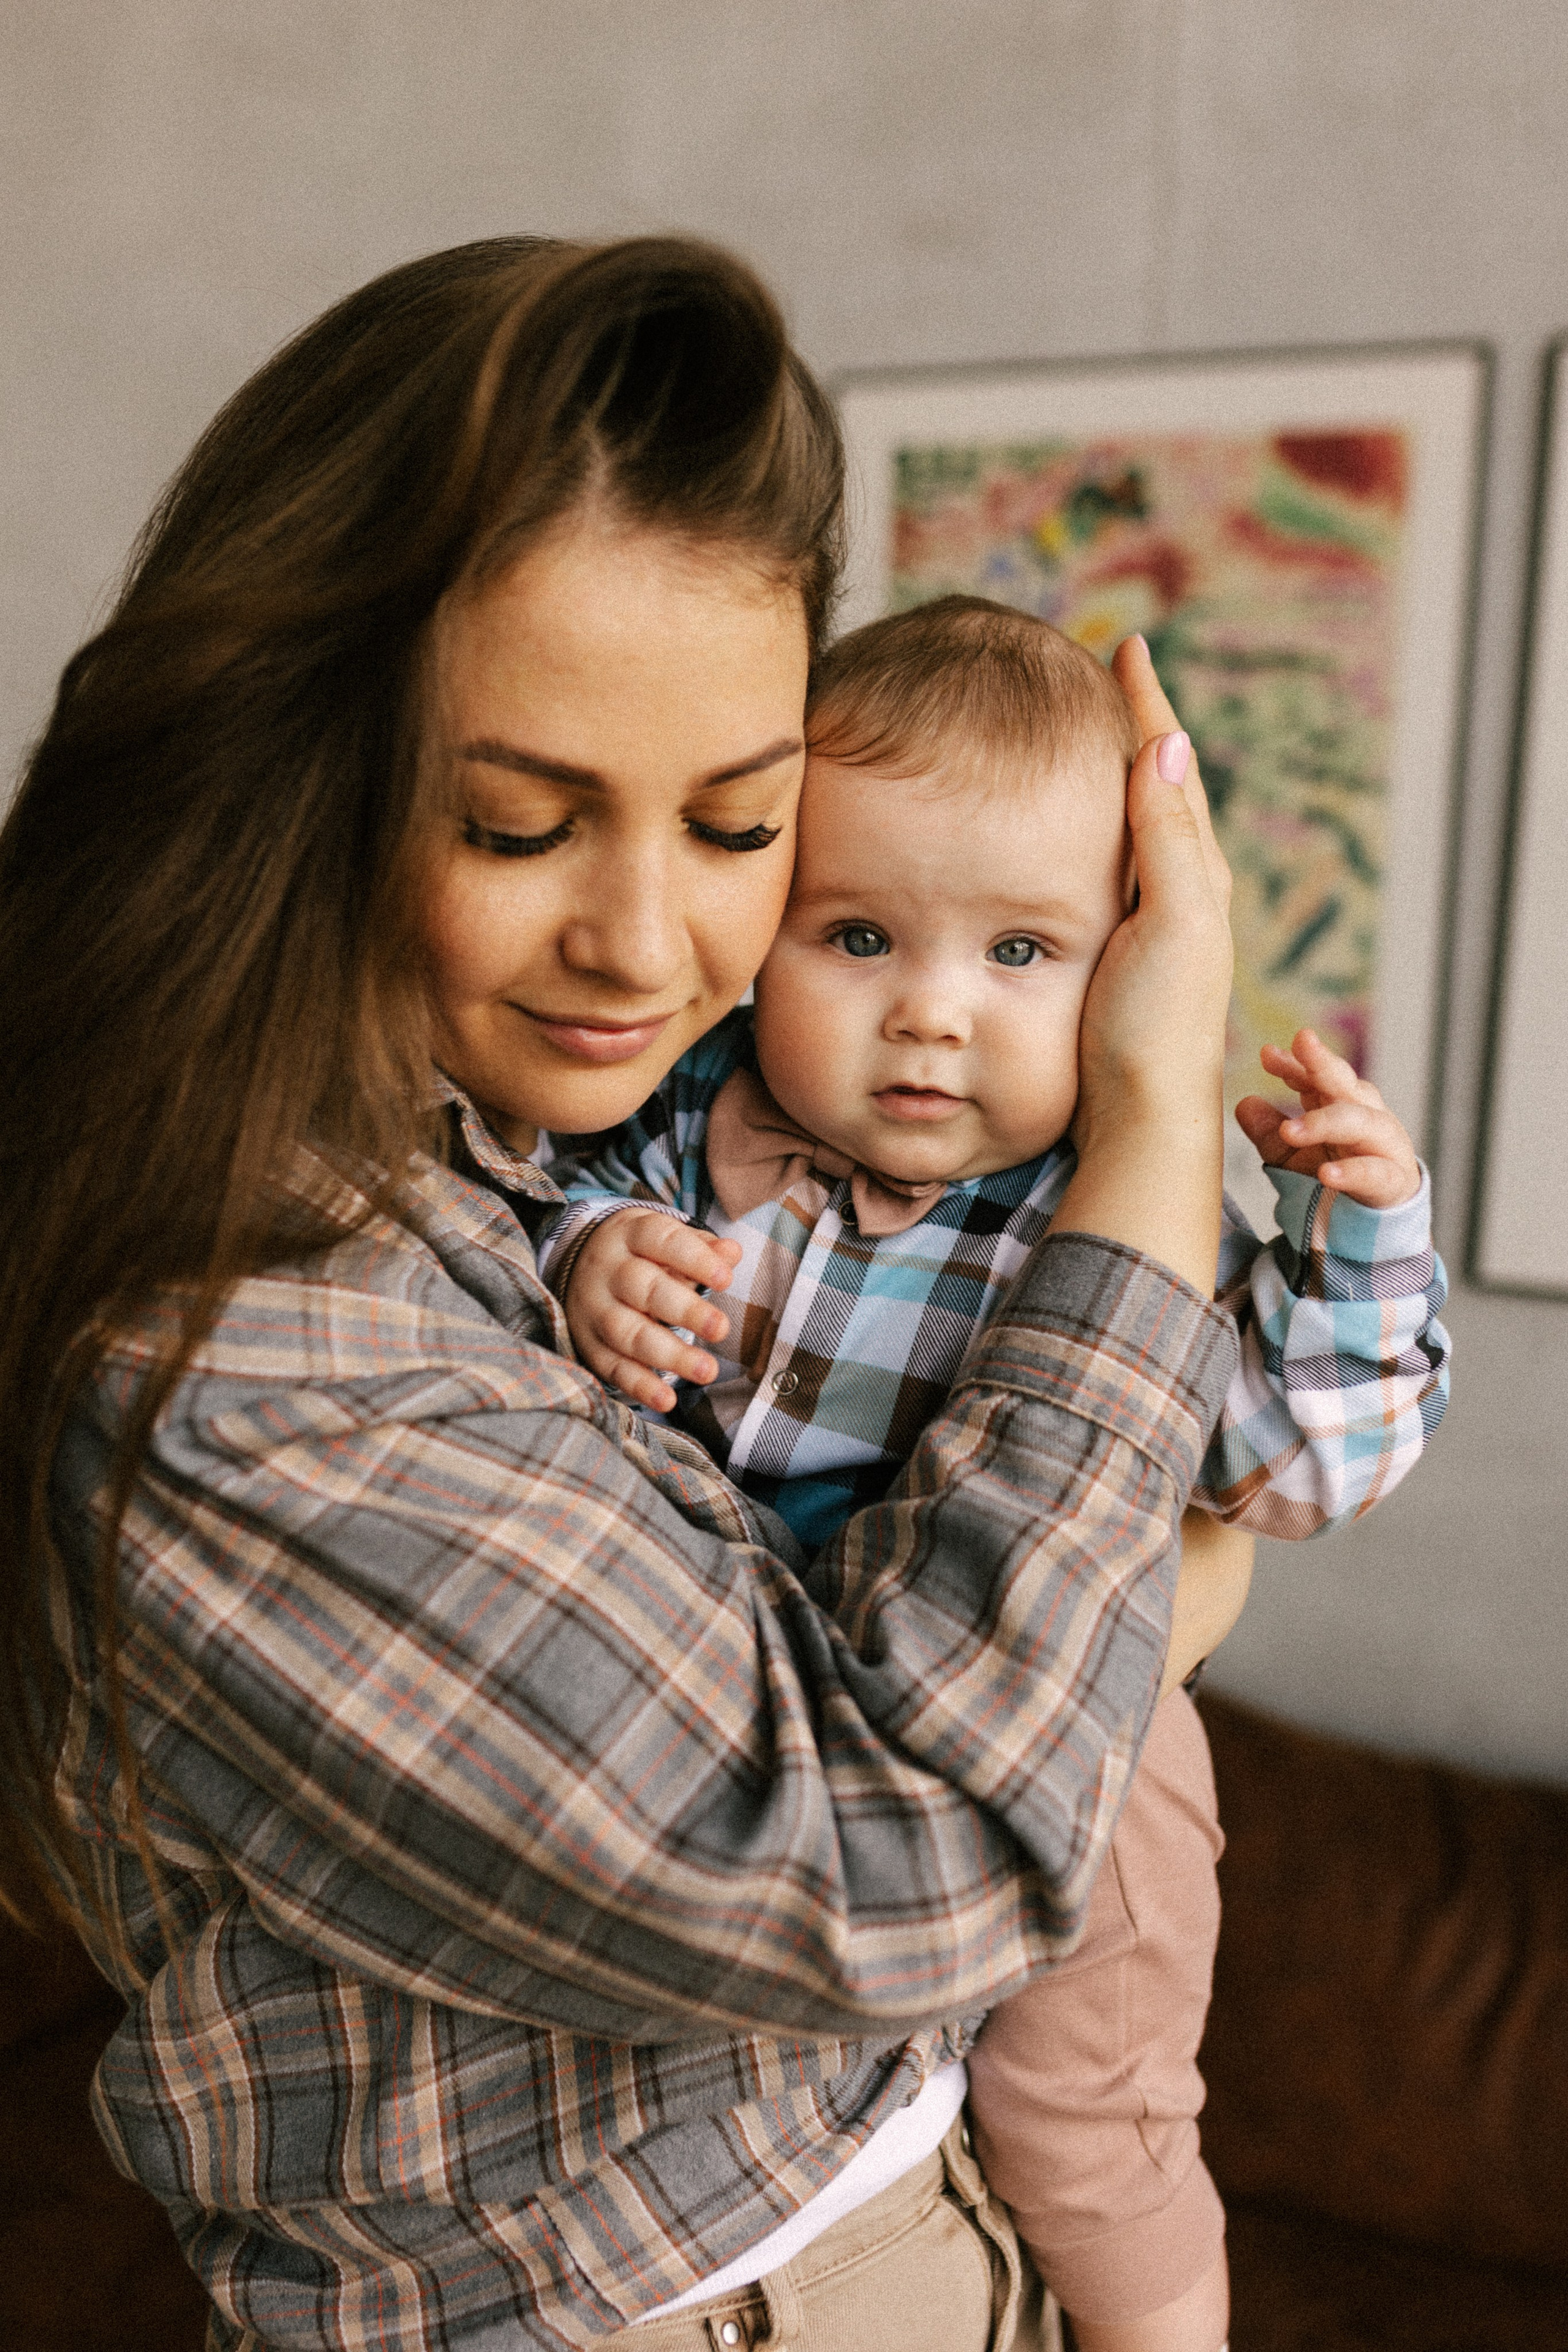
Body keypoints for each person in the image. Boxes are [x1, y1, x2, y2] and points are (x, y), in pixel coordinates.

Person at [0, 236, 1248, 2352]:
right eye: (516, 825)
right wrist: (1152, 1113)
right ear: (286, 777)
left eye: (743, 823)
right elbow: (917, 1855)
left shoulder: (525, 1154)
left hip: (929, 2223)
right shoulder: (238, 1348)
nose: (649, 947)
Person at [548, 599, 1452, 2352]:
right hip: (774, 1748)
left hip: (1085, 1755)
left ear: (1127, 968)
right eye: (861, 934)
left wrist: (1365, 1231)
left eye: (1020, 955)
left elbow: (1293, 1467)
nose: (930, 1021)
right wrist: (593, 1256)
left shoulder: (1109, 1207)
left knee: (1086, 2118)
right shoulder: (688, 1116)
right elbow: (529, 1217)